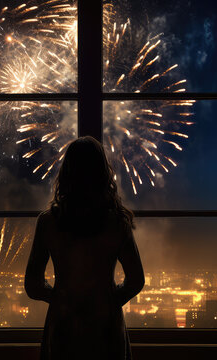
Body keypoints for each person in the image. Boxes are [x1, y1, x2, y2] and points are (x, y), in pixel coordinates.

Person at [25, 136, 145, 360]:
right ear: (103, 173)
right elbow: (136, 280)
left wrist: (61, 297)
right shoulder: (118, 223)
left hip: (63, 326)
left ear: (66, 172)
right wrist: (108, 299)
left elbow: (33, 285)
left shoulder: (48, 222)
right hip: (106, 327)